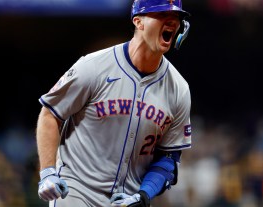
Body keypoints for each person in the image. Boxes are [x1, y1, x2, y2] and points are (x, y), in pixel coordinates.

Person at [36, 0, 192, 206]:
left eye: (176, 17)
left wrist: (143, 195)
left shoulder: (179, 89)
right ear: (139, 22)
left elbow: (168, 158)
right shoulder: (93, 67)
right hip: (77, 191)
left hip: (127, 199)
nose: (172, 21)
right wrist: (47, 172)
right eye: (162, 14)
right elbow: (50, 114)